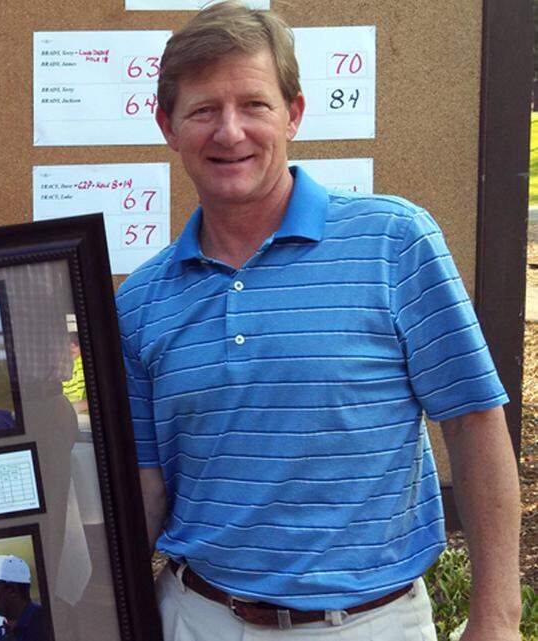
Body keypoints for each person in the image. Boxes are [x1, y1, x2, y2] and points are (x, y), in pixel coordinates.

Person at [115, 2, 521, 639]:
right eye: (203, 110)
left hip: (371, 625)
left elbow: (474, 423)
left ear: (293, 114)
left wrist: (495, 620)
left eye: (254, 105)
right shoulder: (141, 301)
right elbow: (145, 490)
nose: (229, 132)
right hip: (198, 620)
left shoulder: (395, 242)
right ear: (167, 125)